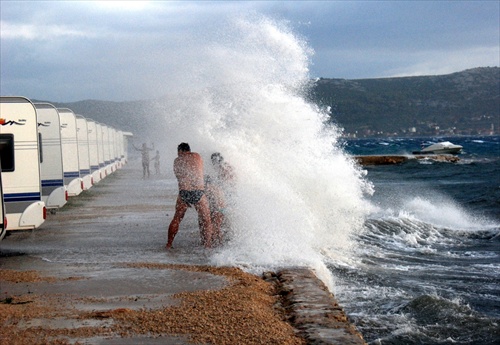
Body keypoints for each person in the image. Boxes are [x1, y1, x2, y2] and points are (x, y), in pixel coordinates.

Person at [166, 143, 213, 249]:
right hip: (198, 192)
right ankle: (207, 246)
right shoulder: (197, 156)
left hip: (184, 193)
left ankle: (169, 244)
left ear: (180, 151)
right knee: (206, 220)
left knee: (177, 219)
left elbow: (178, 176)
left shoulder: (177, 161)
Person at [204, 175, 225, 245]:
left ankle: (210, 243)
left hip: (218, 209)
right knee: (217, 227)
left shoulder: (209, 189)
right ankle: (220, 242)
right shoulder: (217, 188)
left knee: (213, 226)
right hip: (222, 209)